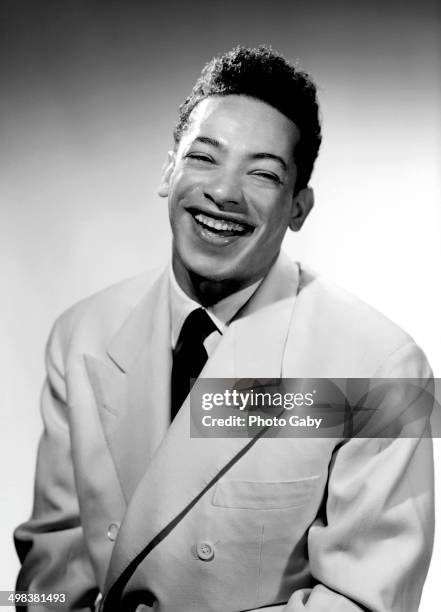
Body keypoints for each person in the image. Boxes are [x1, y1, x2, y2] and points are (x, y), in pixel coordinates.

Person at [14, 45, 434, 612]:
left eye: (262, 173)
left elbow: (363, 602)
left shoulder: (383, 369)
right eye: (204, 158)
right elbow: (52, 569)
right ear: (169, 171)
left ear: (299, 208)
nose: (224, 192)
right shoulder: (81, 335)